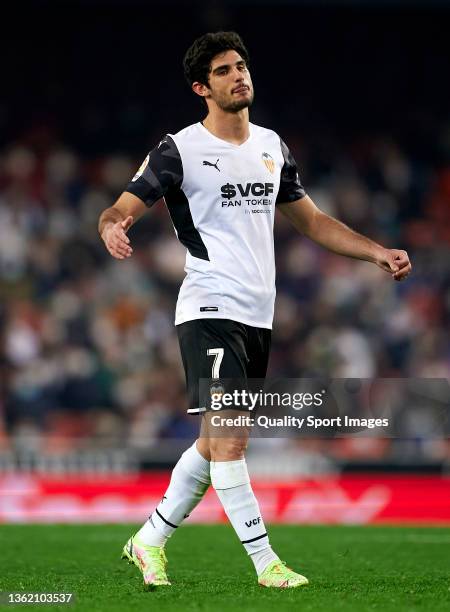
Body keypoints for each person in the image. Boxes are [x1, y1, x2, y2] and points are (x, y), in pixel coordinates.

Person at [98, 31, 411, 590]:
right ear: (201, 87)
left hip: (257, 315)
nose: (239, 75)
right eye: (223, 71)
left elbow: (313, 221)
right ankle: (267, 564)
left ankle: (148, 540)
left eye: (240, 65)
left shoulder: (271, 145)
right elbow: (118, 209)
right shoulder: (179, 149)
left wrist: (375, 252)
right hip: (208, 305)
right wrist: (112, 229)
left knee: (213, 443)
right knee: (233, 438)